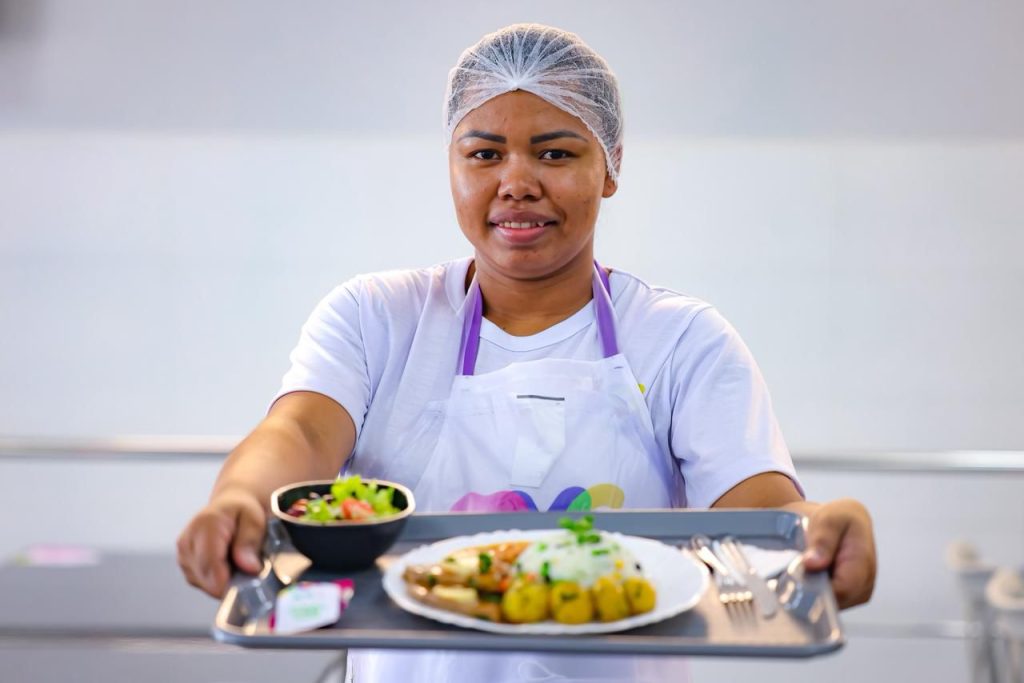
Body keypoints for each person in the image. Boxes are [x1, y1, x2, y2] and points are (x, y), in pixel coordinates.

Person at [177, 23, 876, 681]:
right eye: (484, 153)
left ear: (611, 167)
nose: (516, 182)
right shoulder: (377, 318)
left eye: (555, 152)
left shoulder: (681, 339)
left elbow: (754, 513)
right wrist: (240, 495)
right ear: (451, 164)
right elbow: (299, 429)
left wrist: (816, 528)